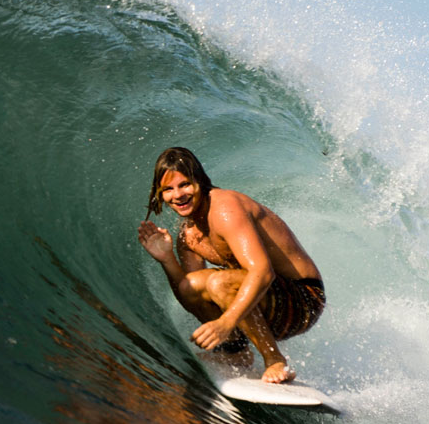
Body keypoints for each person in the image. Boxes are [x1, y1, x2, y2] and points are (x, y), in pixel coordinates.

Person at [136, 147, 325, 383]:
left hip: (303, 301)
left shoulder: (225, 208)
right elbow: (191, 294)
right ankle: (236, 352)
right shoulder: (188, 234)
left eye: (184, 184)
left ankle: (274, 359)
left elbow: (263, 272)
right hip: (265, 305)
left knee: (219, 282)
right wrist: (167, 259)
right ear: (159, 194)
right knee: (192, 285)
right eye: (168, 189)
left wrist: (226, 322)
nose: (178, 195)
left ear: (200, 181)